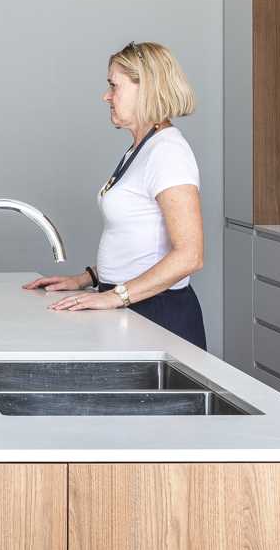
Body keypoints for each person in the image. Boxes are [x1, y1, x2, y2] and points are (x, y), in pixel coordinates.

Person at [24, 39, 207, 346]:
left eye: (114, 86)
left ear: (145, 87)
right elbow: (138, 243)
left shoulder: (168, 152)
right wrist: (85, 280)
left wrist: (115, 296)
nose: (106, 95)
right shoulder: (140, 150)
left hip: (158, 314)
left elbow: (190, 256)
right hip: (134, 305)